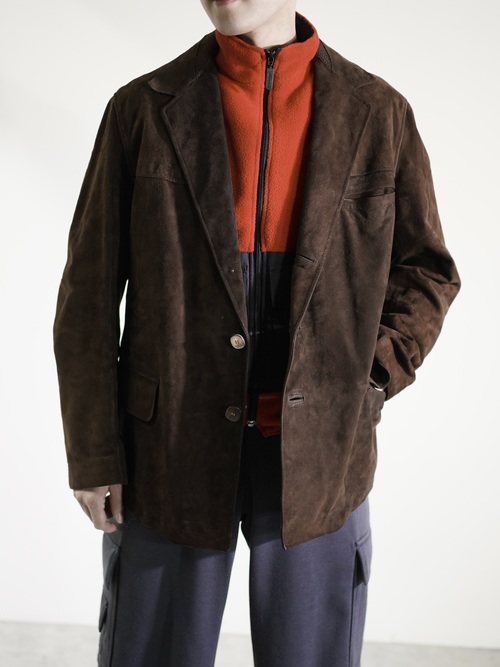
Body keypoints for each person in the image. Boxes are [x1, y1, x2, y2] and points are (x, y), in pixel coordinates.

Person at [53, 1, 460, 665]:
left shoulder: (378, 112)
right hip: (169, 450)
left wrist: (368, 378)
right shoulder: (142, 108)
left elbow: (427, 272)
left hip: (320, 459)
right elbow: (88, 294)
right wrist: (94, 451)